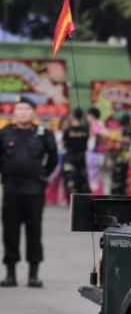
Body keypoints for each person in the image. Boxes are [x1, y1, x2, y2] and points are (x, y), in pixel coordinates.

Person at [1, 96, 59, 287]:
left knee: (34, 232)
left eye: (26, 108)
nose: (23, 112)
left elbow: (53, 157)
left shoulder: (43, 134)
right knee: (10, 232)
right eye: (19, 109)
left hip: (34, 189)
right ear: (14, 112)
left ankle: (33, 275)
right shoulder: (5, 132)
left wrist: (43, 176)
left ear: (33, 112)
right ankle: (10, 274)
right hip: (11, 189)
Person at [61, 108, 91, 197]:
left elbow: (63, 144)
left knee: (70, 179)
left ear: (73, 116)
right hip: (82, 157)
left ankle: (73, 198)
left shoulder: (68, 130)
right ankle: (82, 199)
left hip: (70, 157)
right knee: (82, 178)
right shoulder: (86, 129)